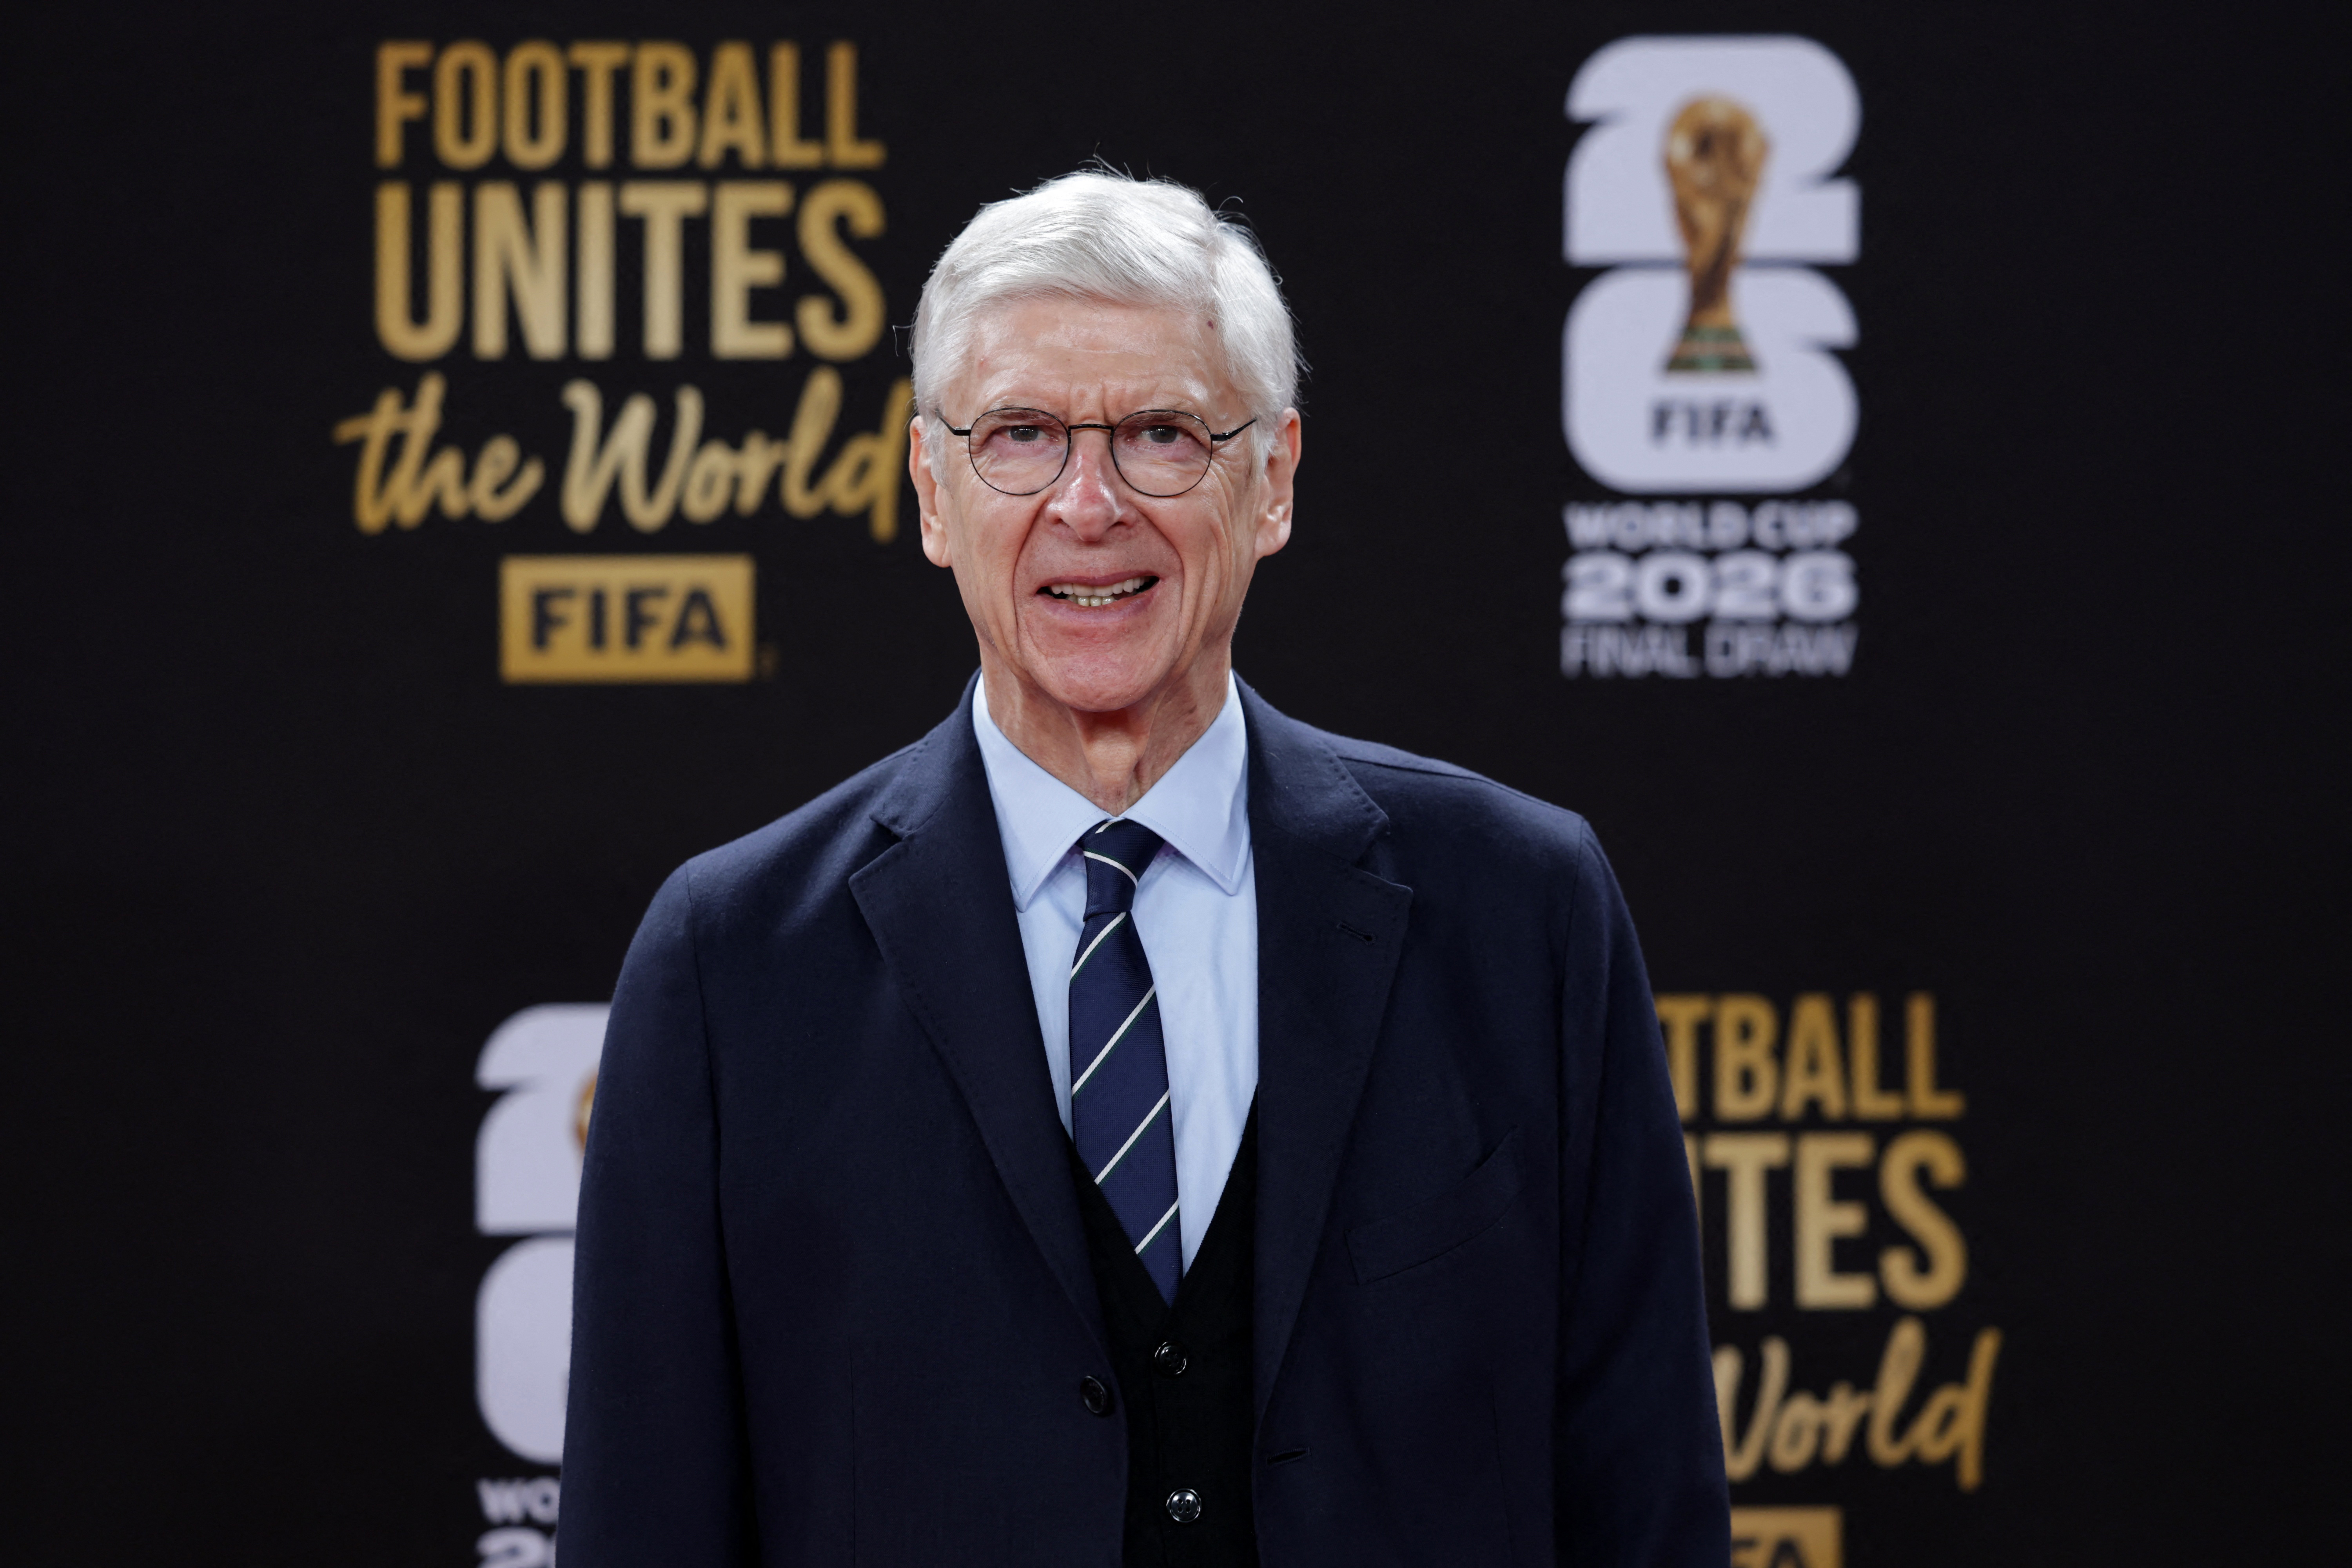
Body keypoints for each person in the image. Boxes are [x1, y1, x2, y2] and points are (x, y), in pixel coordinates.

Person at [558, 169, 1727, 1567]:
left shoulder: (1522, 911)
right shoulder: (733, 968)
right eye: (1022, 436)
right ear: (932, 491)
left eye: (1164, 434)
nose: (1089, 503)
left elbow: (1646, 1500)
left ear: (1273, 479)